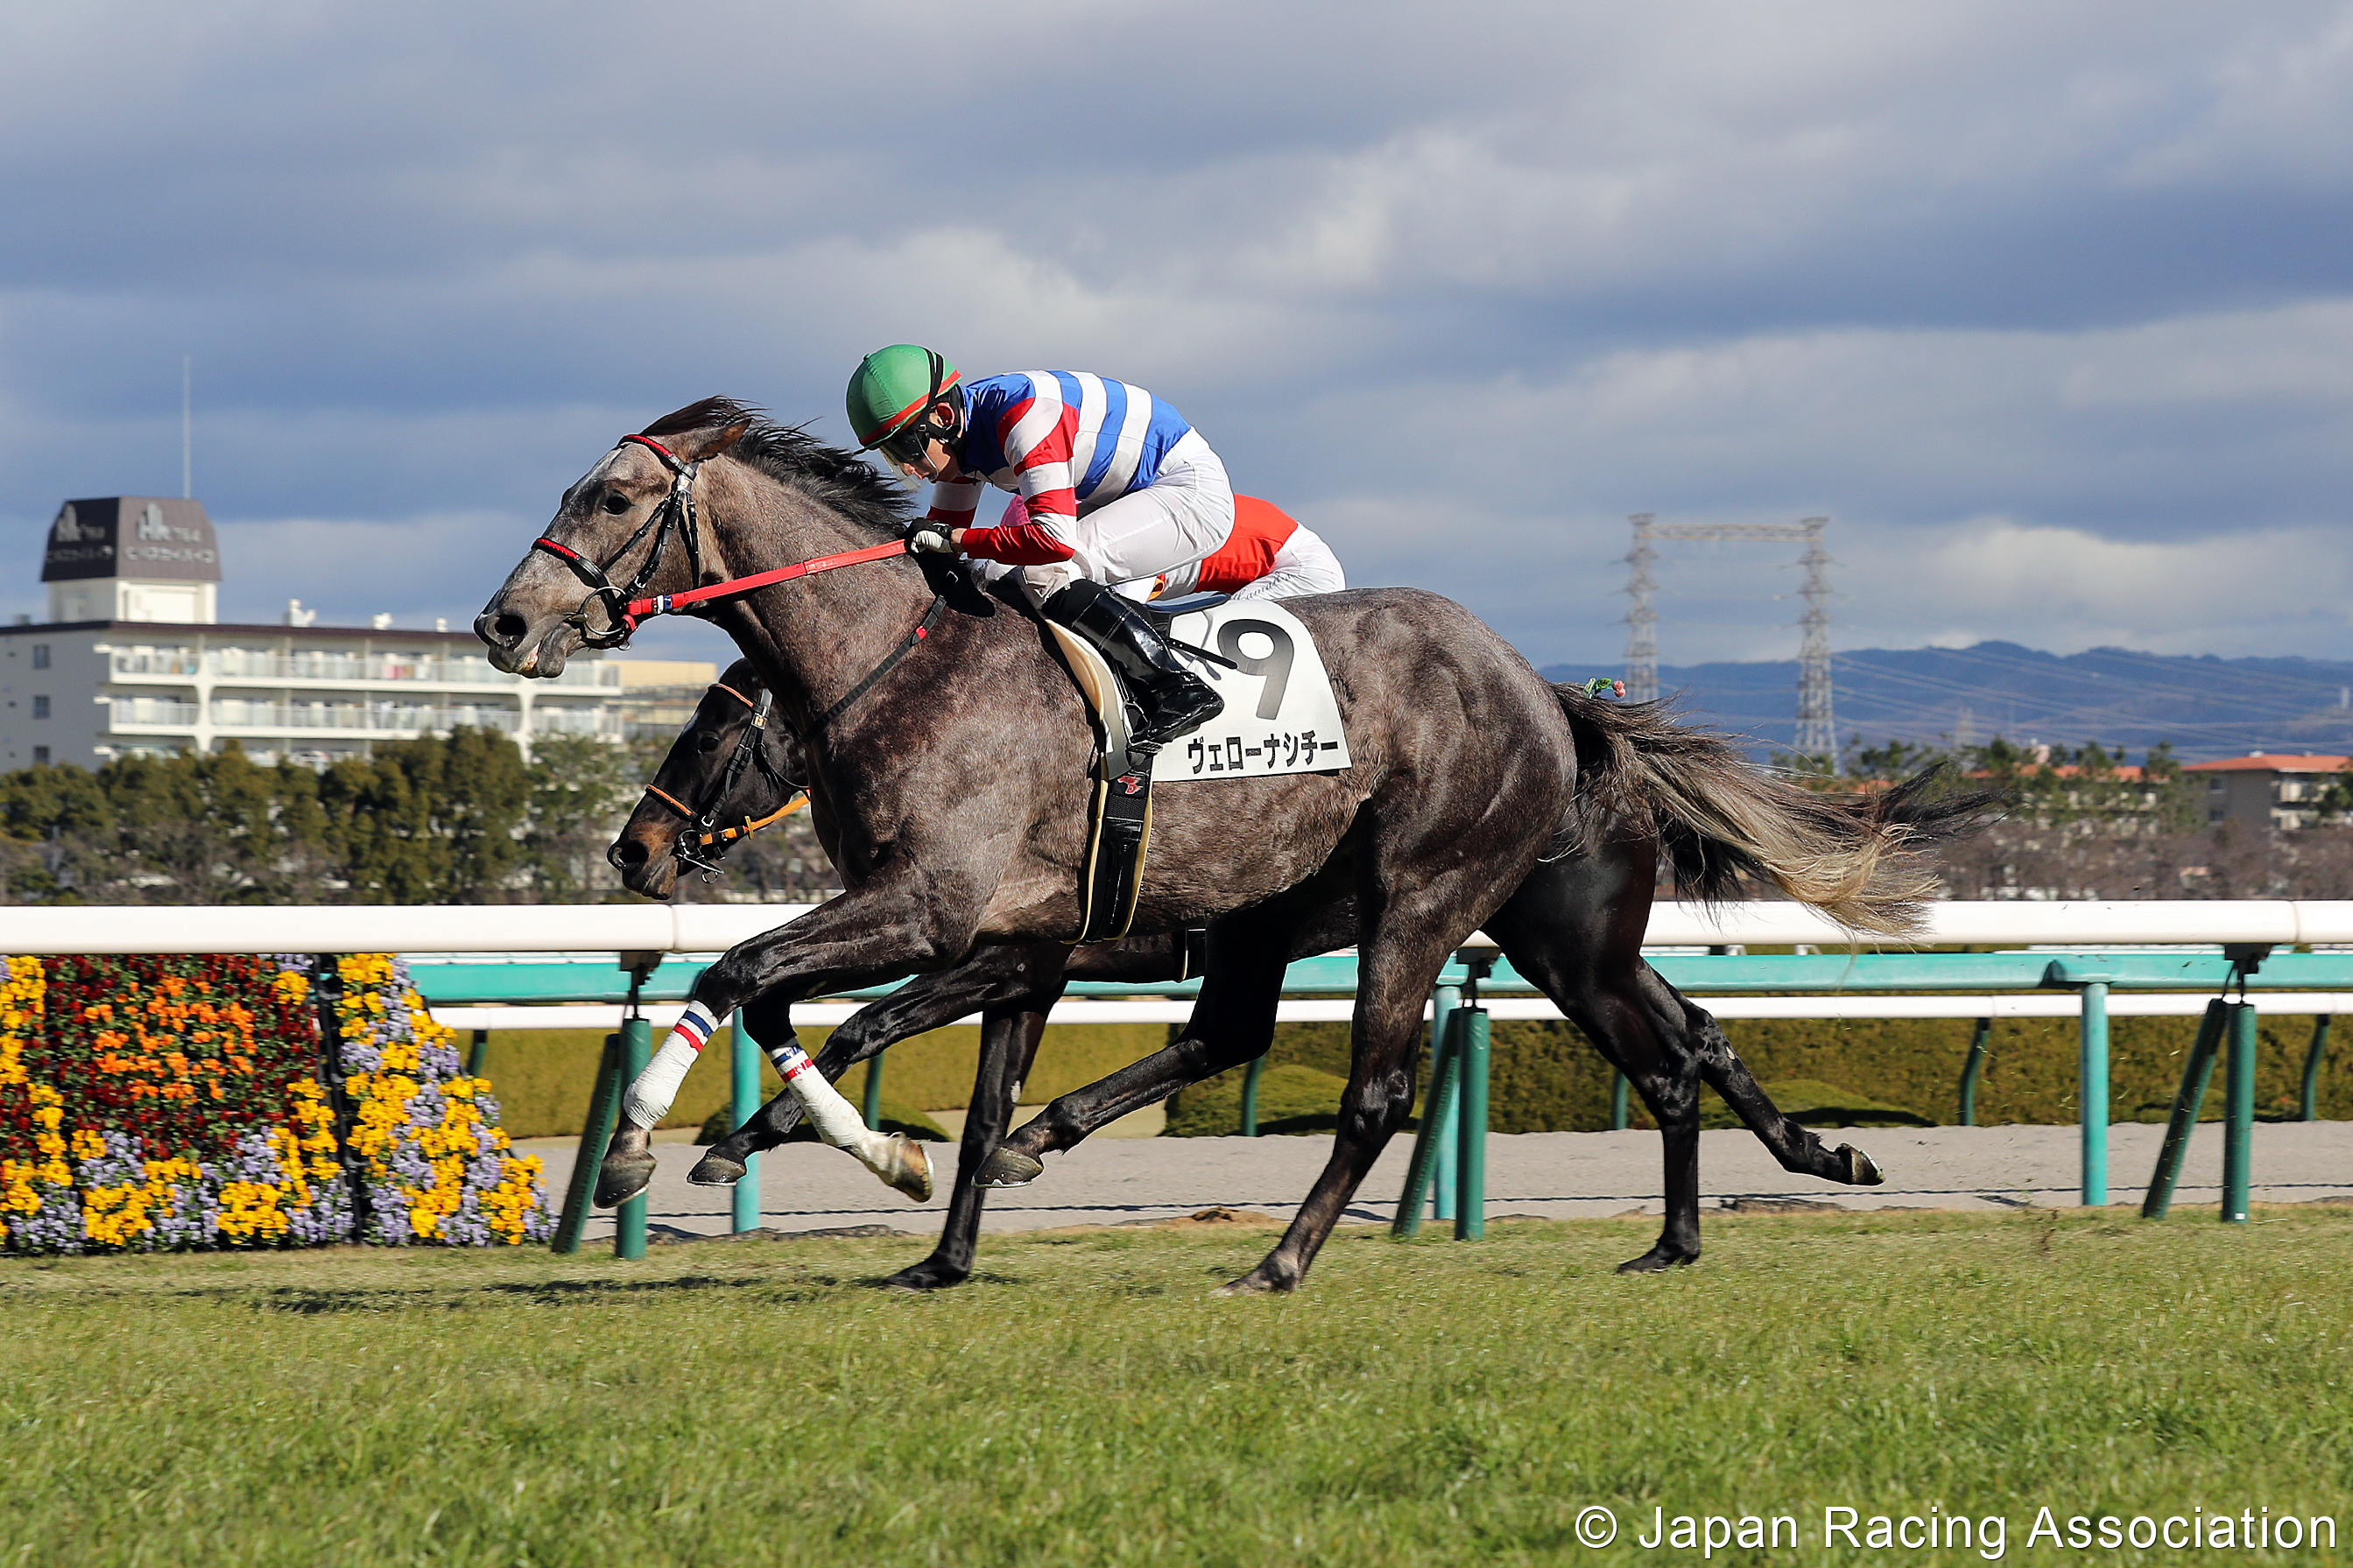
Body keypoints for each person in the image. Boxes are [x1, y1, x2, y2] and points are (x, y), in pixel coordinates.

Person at [844, 345, 1230, 749]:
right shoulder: (960, 435)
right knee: (995, 574)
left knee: (1046, 572)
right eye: (892, 454)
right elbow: (941, 550)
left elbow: (1051, 543)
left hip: (1188, 492)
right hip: (1124, 494)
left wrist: (954, 539)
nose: (908, 467)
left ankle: (1177, 688)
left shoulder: (1022, 419)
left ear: (943, 416)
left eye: (907, 447)